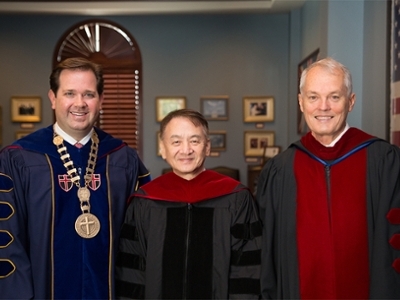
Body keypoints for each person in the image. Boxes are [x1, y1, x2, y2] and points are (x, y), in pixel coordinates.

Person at [0, 57, 150, 299]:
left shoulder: (123, 158)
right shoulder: (19, 159)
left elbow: (142, 236)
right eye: (70, 93)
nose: (79, 103)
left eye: (88, 94)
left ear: (101, 100)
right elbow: (6, 238)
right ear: (53, 98)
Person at [257, 57, 400, 299]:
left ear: (350, 102)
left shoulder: (384, 162)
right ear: (301, 103)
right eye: (313, 97)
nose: (323, 107)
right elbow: (268, 251)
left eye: (334, 97)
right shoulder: (280, 170)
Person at [115, 109, 262, 299]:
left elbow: (247, 269)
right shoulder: (144, 202)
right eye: (176, 142)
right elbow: (132, 271)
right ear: (162, 148)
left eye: (195, 141)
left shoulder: (236, 199)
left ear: (207, 147)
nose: (186, 150)